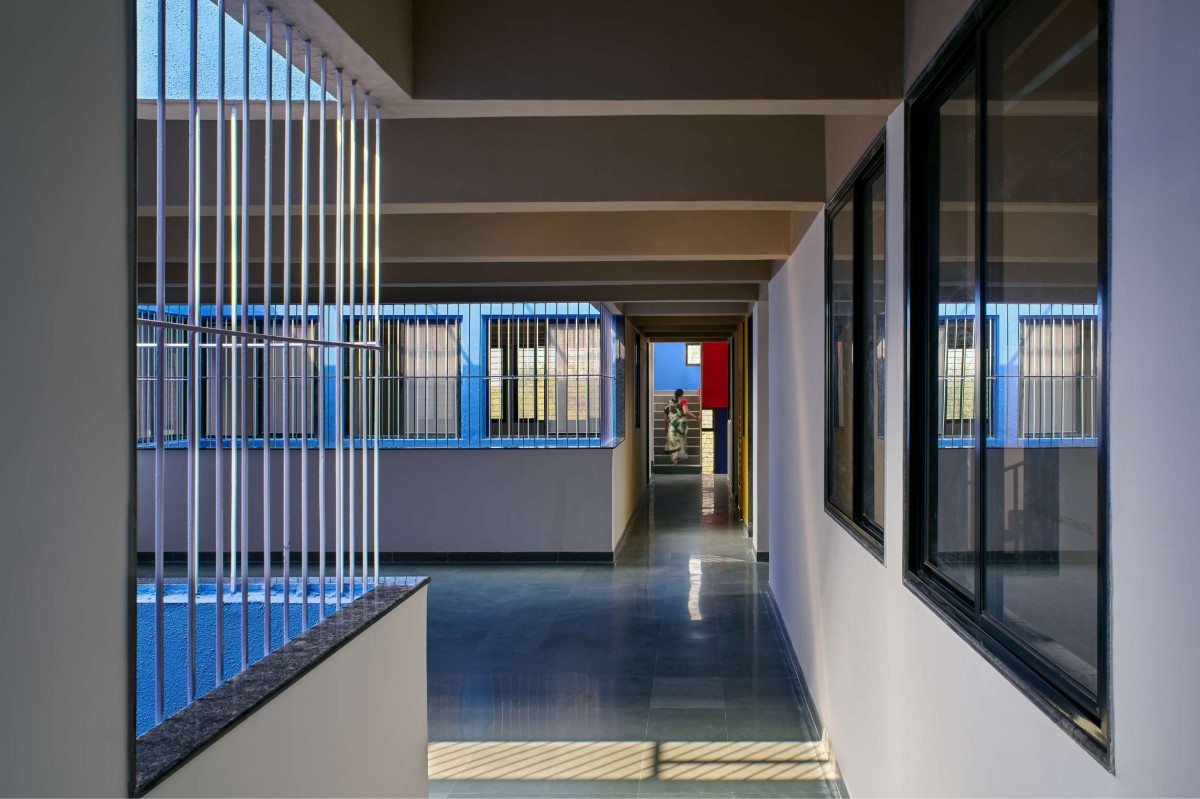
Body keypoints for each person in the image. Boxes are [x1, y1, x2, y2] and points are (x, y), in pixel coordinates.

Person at [663, 388, 699, 464]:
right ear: (682, 395)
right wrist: (696, 417)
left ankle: (674, 460)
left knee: (673, 442)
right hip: (681, 425)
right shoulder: (683, 401)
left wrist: (665, 426)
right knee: (680, 441)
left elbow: (665, 416)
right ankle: (679, 456)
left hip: (673, 425)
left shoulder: (669, 403)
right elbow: (686, 411)